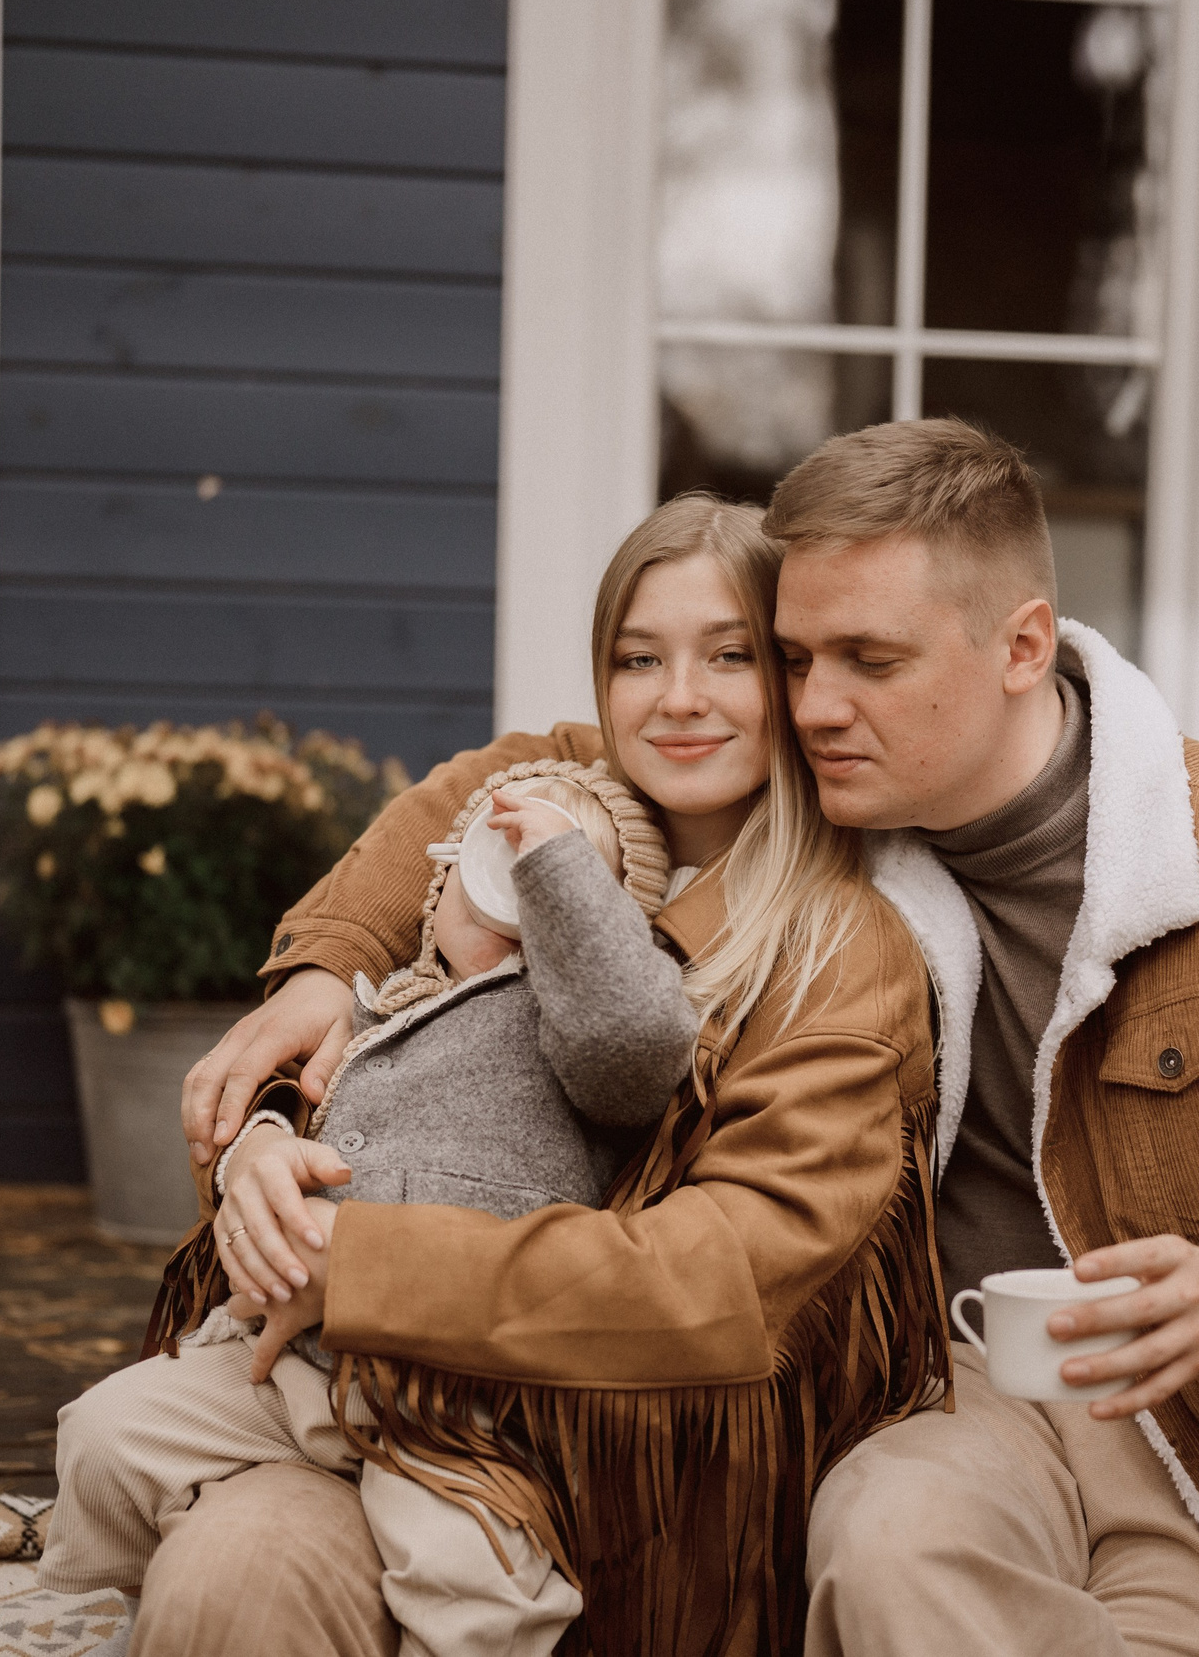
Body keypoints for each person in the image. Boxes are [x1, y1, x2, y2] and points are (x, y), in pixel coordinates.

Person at [184, 420, 1199, 1657]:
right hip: (962, 1391)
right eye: (793, 656)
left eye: (870, 661)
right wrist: (328, 964)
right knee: (886, 1538)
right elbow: (522, 767)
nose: (814, 703)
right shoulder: (832, 793)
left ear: (1021, 645)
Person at [137, 493, 954, 1657]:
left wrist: (358, 1263)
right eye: (637, 658)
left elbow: (718, 1283)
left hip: (615, 1476)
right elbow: (396, 1027)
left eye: (730, 655)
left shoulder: (839, 955)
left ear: (795, 682)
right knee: (226, 1580)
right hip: (362, 1401)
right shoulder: (525, 827)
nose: (676, 697)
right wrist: (274, 1130)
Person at [39, 763, 697, 1657]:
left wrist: (559, 872)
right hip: (302, 1363)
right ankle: (145, 1599)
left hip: (454, 1393)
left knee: (470, 1598)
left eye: (556, 886)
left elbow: (633, 1039)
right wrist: (260, 1139)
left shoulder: (573, 1030)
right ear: (438, 888)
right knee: (101, 1437)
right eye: (490, 872)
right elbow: (303, 1106)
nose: (513, 902)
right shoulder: (381, 1001)